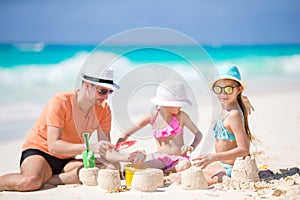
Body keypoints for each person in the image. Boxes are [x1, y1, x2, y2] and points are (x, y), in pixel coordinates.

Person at [0, 66, 145, 192]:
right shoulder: (60, 102)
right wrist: (90, 147)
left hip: (68, 158)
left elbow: (106, 150)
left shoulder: (104, 110)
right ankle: (39, 178)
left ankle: (49, 179)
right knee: (30, 181)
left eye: (109, 92)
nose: (106, 97)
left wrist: (129, 157)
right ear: (87, 85)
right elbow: (54, 147)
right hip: (41, 151)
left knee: (111, 168)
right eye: (102, 91)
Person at [117, 79, 203, 174]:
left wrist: (192, 146)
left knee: (186, 164)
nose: (181, 107)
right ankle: (163, 172)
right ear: (167, 105)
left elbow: (198, 134)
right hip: (160, 159)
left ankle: (163, 172)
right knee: (138, 167)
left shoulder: (182, 116)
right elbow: (127, 133)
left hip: (179, 159)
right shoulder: (152, 117)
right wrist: (117, 148)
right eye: (179, 104)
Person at [192, 65, 254, 185]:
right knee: (191, 170)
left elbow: (244, 149)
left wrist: (212, 157)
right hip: (222, 163)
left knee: (193, 178)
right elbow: (239, 99)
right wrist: (243, 98)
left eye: (229, 89)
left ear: (239, 89)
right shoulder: (225, 106)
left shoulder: (234, 115)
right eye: (218, 89)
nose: (223, 94)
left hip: (232, 169)